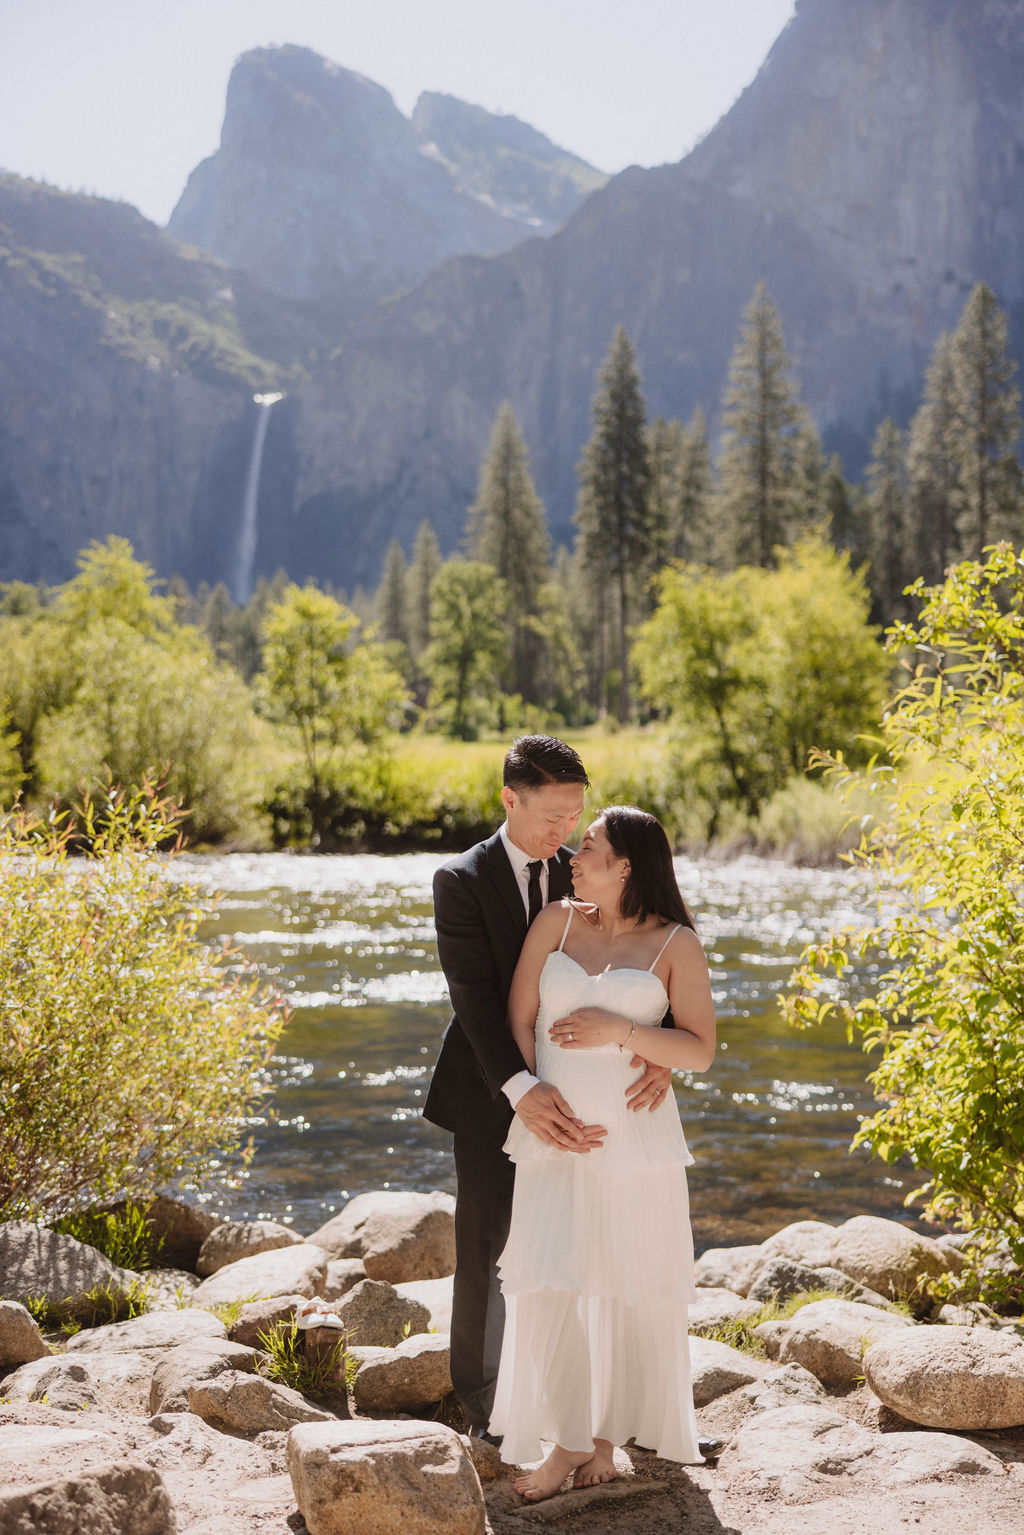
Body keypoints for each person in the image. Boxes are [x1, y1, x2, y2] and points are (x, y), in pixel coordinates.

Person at [423, 740, 674, 1438]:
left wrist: (661, 1046)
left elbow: (646, 944)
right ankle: (485, 1405)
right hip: (486, 1088)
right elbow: (474, 999)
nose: (563, 831)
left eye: (575, 815)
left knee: (594, 1244)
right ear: (510, 798)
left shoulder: (588, 868)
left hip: (594, 1097)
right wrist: (519, 1088)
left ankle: (604, 1412)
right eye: (551, 815)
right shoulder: (461, 879)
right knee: (490, 1245)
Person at [489, 804, 716, 1500]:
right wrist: (535, 1103)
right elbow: (518, 1021)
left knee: (625, 1286)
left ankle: (606, 1437)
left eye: (587, 847)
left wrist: (627, 1031)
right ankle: (568, 1439)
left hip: (633, 1140)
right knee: (549, 1280)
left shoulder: (675, 943)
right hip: (555, 1135)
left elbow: (699, 1049)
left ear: (624, 865)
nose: (571, 856)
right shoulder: (554, 921)